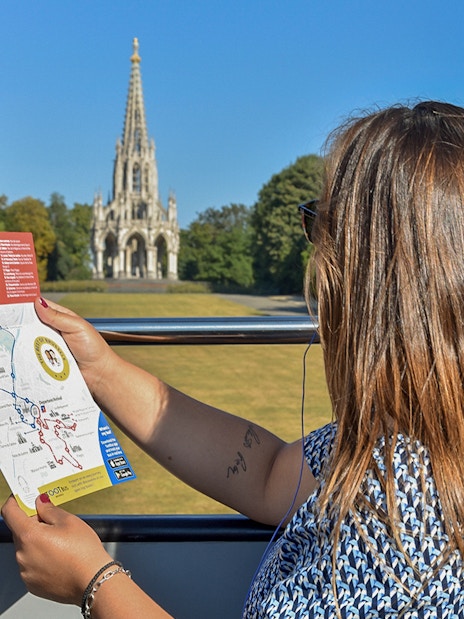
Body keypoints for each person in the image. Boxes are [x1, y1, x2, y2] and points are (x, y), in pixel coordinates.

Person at [3, 99, 464, 618]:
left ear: (375, 276)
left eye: (320, 223)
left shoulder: (404, 519)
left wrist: (94, 582)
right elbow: (266, 474)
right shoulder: (393, 439)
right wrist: (101, 370)